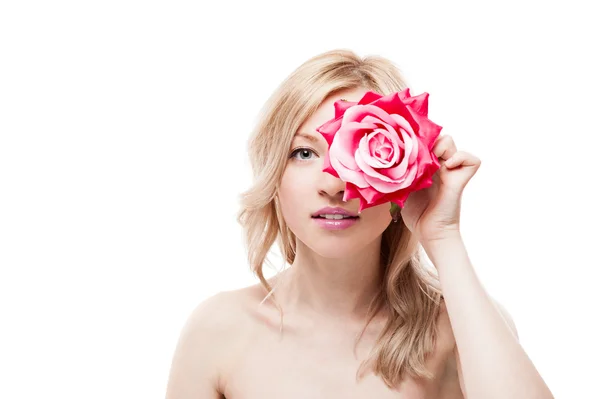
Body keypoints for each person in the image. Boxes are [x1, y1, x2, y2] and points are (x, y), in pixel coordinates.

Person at [165, 49, 554, 398]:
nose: (334, 184)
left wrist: (443, 236)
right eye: (304, 152)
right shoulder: (219, 330)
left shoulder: (461, 327)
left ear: (404, 174)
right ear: (274, 175)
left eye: (355, 154)